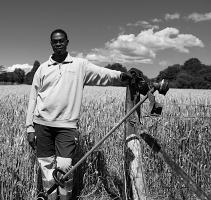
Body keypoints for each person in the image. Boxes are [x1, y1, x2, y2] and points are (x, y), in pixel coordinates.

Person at [26, 29, 132, 200]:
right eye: (55, 41)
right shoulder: (42, 69)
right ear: (51, 44)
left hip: (66, 126)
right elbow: (33, 98)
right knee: (46, 166)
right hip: (42, 124)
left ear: (67, 42)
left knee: (65, 167)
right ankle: (51, 198)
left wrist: (121, 76)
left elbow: (102, 74)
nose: (58, 44)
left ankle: (65, 198)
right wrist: (29, 127)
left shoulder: (80, 65)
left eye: (61, 41)